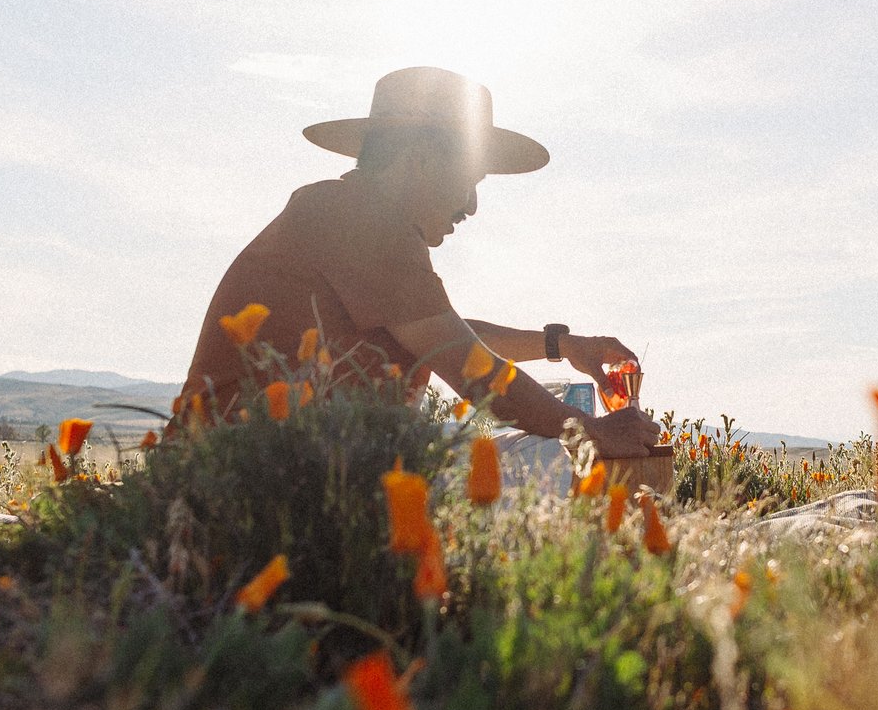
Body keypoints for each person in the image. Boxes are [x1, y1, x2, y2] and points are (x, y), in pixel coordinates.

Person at [177, 66, 660, 460]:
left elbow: (443, 335)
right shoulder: (357, 217)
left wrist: (562, 345)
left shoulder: (354, 213)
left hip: (284, 466)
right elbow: (465, 361)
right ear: (421, 161)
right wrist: (592, 432)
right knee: (582, 465)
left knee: (536, 463)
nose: (470, 206)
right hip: (243, 476)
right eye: (469, 182)